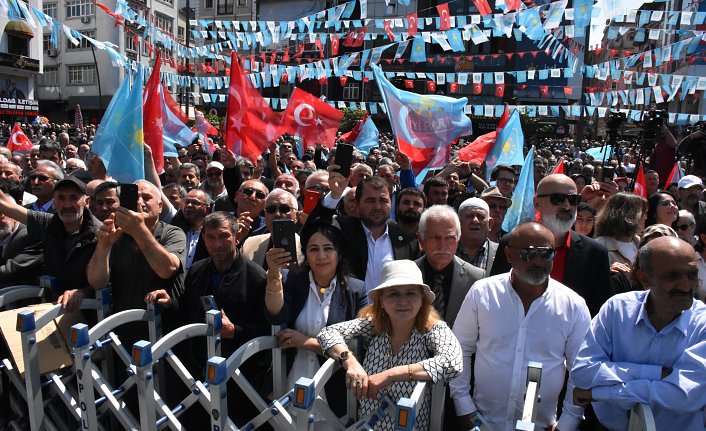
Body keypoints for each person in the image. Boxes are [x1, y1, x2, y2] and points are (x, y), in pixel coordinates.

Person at [451, 222, 591, 431]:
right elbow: (460, 349)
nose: (537, 261)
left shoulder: (573, 305)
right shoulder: (482, 293)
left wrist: (567, 423)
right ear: (508, 255)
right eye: (528, 253)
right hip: (482, 423)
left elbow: (581, 370)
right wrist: (464, 408)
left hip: (542, 425)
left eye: (546, 254)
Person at [571, 237, 706, 431]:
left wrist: (600, 393)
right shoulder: (617, 310)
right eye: (672, 276)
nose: (685, 285)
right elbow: (583, 372)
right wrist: (657, 373)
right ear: (644, 278)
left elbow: (683, 396)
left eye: (692, 274)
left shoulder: (702, 324)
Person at [317, 260, 462, 430]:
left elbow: (453, 363)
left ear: (422, 299)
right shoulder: (373, 325)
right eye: (393, 294)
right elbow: (326, 333)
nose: (403, 301)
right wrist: (350, 362)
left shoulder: (433, 329)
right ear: (382, 302)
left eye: (411, 293)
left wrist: (391, 375)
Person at [264, 218, 367, 422]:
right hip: (290, 386)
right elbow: (276, 315)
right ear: (306, 255)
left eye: (328, 248)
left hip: (334, 395)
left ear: (339, 253)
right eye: (313, 249)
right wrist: (274, 272)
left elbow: (357, 346)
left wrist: (306, 342)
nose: (321, 256)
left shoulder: (357, 290)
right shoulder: (292, 280)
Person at [177, 211, 270, 426]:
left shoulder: (256, 277)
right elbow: (184, 311)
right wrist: (168, 300)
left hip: (241, 377)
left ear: (237, 236)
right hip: (197, 371)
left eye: (224, 236)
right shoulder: (197, 270)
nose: (217, 244)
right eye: (211, 237)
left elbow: (268, 329)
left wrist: (235, 331)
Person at [491, 174, 612, 315]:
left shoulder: (594, 253)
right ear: (537, 203)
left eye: (573, 200)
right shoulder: (511, 242)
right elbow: (495, 297)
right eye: (557, 199)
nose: (567, 206)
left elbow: (600, 311)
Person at [87, 180, 186, 343]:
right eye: (135, 198)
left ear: (160, 206)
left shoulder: (172, 233)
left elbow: (167, 269)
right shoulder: (117, 234)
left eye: (146, 198)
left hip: (163, 332)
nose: (140, 202)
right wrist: (103, 246)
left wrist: (139, 229)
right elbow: (96, 282)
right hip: (124, 328)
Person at [0, 175, 100, 311]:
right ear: (53, 202)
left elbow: (109, 280)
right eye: (61, 198)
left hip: (94, 312)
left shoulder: (100, 233)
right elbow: (6, 205)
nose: (67, 205)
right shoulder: (49, 223)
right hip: (53, 307)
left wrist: (83, 292)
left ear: (87, 202)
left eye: (73, 198)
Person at [322, 175, 420, 292]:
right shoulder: (342, 228)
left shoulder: (407, 242)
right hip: (350, 308)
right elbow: (316, 227)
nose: (377, 207)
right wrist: (334, 196)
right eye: (370, 200)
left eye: (383, 201)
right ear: (357, 204)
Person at [415, 205, 484, 327]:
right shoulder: (408, 274)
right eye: (435, 237)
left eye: (450, 238)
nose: (442, 246)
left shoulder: (476, 278)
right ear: (421, 240)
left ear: (458, 240)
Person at [241, 189, 304, 269]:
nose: (277, 214)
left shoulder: (305, 246)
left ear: (297, 216)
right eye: (271, 209)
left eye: (284, 209)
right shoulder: (249, 244)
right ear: (265, 215)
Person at [594, 192, 647, 272]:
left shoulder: (642, 244)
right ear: (629, 215)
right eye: (642, 213)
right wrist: (608, 272)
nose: (645, 218)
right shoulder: (599, 246)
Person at [170, 189, 212, 271]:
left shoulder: (211, 235)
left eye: (195, 203)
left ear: (207, 210)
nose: (189, 205)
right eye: (186, 202)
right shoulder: (175, 231)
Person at [455, 198, 498, 276]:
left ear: (490, 224)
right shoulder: (447, 252)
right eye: (469, 216)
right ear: (458, 222)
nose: (475, 220)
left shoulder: (500, 253)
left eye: (480, 216)